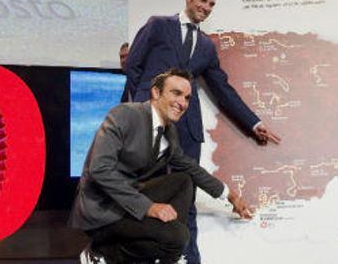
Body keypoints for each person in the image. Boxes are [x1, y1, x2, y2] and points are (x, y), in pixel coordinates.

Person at [123, 0, 281, 263]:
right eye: (203, 0)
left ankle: (189, 257)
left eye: (211, 4)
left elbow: (222, 88)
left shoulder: (207, 46)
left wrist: (253, 123)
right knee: (146, 192)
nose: (206, 8)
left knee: (186, 195)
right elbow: (133, 65)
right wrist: (142, 111)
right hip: (150, 123)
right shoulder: (158, 25)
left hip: (187, 129)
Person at [70, 69, 253, 264]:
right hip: (102, 209)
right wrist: (148, 207)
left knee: (183, 181)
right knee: (179, 236)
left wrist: (231, 196)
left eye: (187, 97)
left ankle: (164, 253)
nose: (182, 103)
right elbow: (99, 169)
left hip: (126, 202)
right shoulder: (125, 114)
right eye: (176, 93)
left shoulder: (169, 132)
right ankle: (103, 252)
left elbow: (191, 168)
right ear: (156, 93)